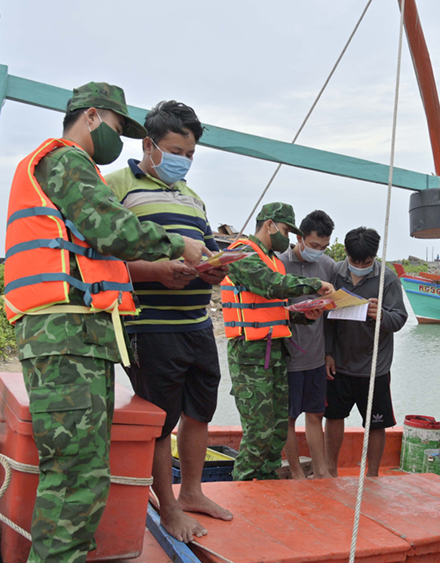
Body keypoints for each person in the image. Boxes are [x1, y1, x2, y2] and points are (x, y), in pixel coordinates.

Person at [3, 82, 207, 563]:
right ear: (92, 117)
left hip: (75, 336)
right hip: (65, 336)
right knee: (76, 475)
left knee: (83, 472)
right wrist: (179, 245)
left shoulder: (63, 166)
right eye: (117, 128)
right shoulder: (67, 160)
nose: (119, 141)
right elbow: (111, 228)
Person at [105, 100, 232, 543]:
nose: (185, 161)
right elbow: (103, 257)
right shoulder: (115, 185)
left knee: (199, 411)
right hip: (150, 323)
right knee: (160, 420)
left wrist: (218, 267)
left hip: (197, 322)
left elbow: (209, 249)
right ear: (149, 144)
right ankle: (168, 505)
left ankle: (193, 491)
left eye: (192, 154)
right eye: (177, 150)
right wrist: (157, 270)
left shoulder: (193, 198)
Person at [223, 202, 335, 481]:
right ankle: (244, 488)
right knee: (257, 433)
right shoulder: (241, 253)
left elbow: (275, 309)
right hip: (250, 356)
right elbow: (270, 284)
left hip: (275, 354)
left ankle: (266, 485)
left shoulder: (270, 257)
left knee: (275, 432)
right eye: (285, 230)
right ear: (270, 224)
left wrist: (305, 315)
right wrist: (314, 285)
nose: (286, 237)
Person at [324, 227, 408, 477]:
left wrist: (380, 315)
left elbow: (400, 318)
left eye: (366, 262)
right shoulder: (335, 274)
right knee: (334, 415)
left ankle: (371, 474)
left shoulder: (388, 278)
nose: (359, 265)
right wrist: (328, 353)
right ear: (346, 255)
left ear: (374, 257)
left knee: (376, 423)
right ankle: (330, 469)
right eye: (354, 261)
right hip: (339, 362)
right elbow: (326, 319)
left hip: (375, 366)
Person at [278, 210, 337, 480]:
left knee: (316, 414)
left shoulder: (328, 266)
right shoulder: (279, 264)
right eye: (314, 246)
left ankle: (322, 471)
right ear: (299, 238)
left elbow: (333, 308)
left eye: (324, 247)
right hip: (287, 355)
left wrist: (328, 353)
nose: (319, 252)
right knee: (288, 418)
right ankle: (296, 471)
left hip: (315, 355)